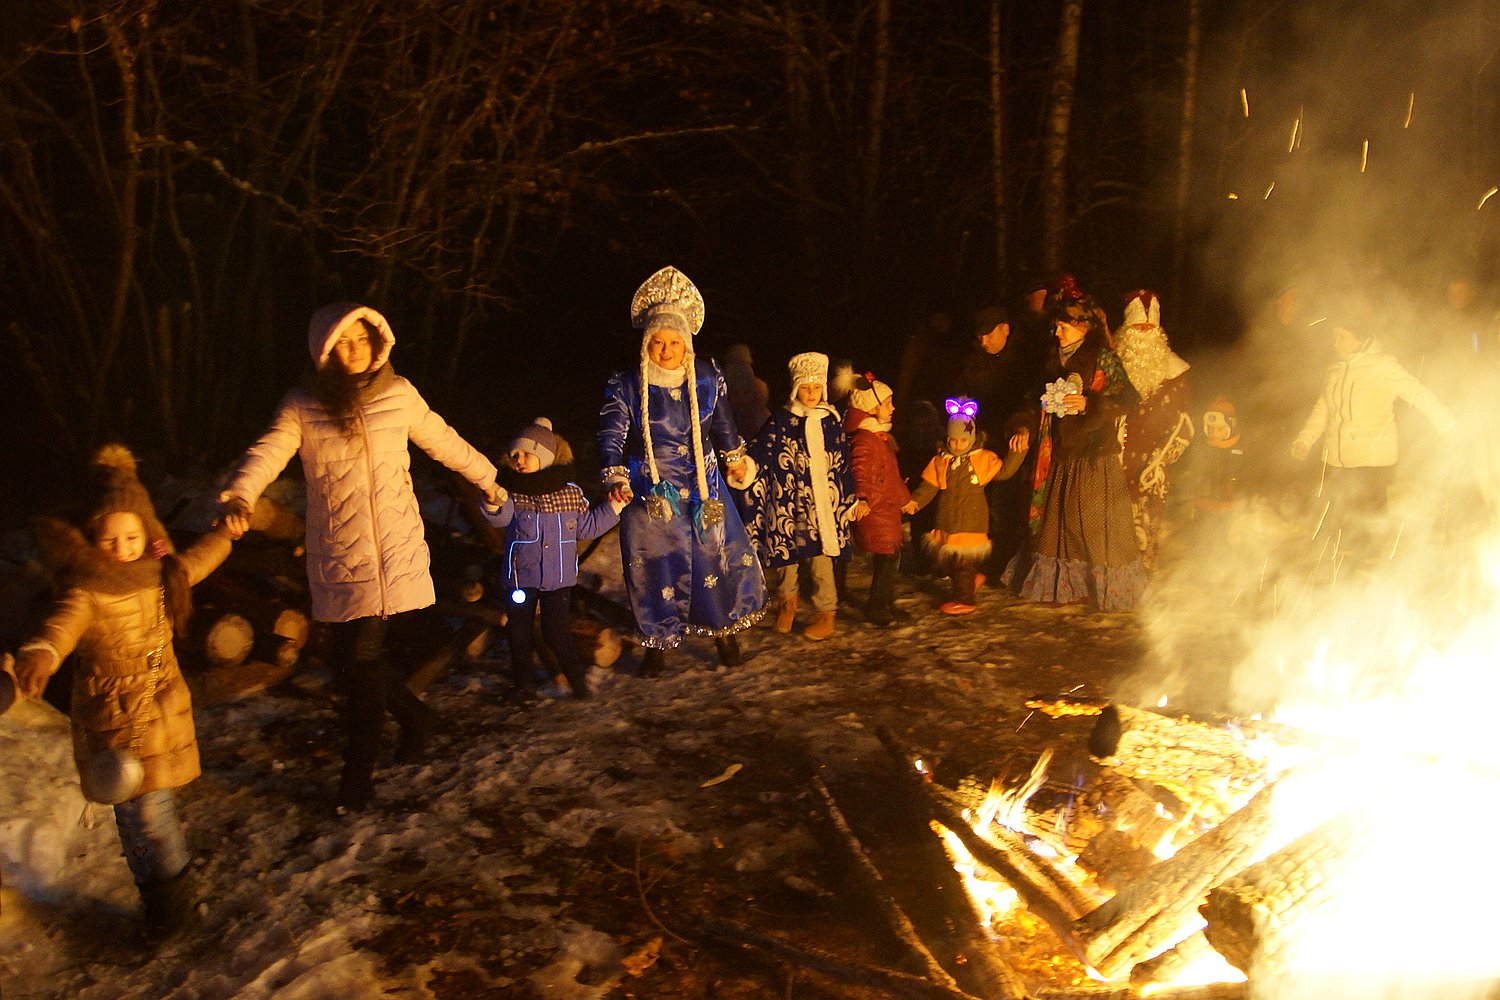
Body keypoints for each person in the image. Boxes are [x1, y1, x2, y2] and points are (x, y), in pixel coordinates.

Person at [219, 303, 504, 813]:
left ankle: (357, 778)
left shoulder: (398, 395)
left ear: (379, 342)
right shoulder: (303, 405)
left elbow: (444, 442)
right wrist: (240, 495)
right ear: (323, 352)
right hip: (339, 551)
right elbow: (266, 453)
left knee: (361, 662)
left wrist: (488, 479)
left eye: (361, 340)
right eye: (341, 344)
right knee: (357, 663)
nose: (354, 351)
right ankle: (416, 719)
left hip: (393, 548)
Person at [3, 445, 248, 934]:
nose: (122, 547)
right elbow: (61, 627)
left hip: (158, 709)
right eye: (110, 538)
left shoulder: (163, 575)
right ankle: (158, 891)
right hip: (112, 717)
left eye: (132, 535)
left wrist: (226, 531)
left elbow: (200, 556)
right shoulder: (86, 590)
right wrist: (42, 655)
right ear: (93, 539)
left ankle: (170, 907)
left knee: (150, 814)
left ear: (148, 533)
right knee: (131, 817)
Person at [598, 266, 765, 675]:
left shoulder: (706, 376)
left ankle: (723, 630)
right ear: (646, 343)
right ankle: (657, 638)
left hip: (702, 485)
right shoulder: (627, 384)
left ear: (686, 344)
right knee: (653, 563)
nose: (666, 350)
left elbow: (723, 424)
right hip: (650, 488)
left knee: (715, 557)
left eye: (674, 342)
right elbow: (611, 434)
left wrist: (735, 458)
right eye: (658, 342)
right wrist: (616, 476)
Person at [1006, 275, 1146, 611]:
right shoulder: (1052, 359)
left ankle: (1107, 589)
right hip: (1059, 451)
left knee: (1097, 523)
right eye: (1056, 327)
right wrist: (1024, 425)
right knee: (1063, 522)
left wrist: (1091, 404)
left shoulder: (1103, 358)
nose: (1057, 333)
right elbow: (1032, 399)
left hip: (1095, 453)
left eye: (1064, 328)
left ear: (1084, 327)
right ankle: (1067, 587)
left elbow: (1129, 398)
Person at [481, 418, 626, 699]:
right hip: (520, 577)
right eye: (514, 455)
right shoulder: (512, 492)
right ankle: (525, 685)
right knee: (518, 633)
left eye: (526, 453)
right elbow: (499, 518)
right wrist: (491, 503)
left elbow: (588, 526)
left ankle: (579, 685)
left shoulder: (570, 494)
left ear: (545, 456)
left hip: (557, 580)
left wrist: (614, 507)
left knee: (556, 634)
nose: (518, 460)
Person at [1289, 319, 1454, 565]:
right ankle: (1343, 572)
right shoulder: (1335, 370)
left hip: (1372, 459)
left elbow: (1417, 392)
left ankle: (1375, 568)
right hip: (1335, 457)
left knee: (1369, 521)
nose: (1336, 343)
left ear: (1359, 338)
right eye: (1333, 337)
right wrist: (1304, 440)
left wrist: (1447, 424)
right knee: (1340, 518)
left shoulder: (1382, 366)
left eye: (1341, 336)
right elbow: (1322, 410)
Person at [742, 352, 860, 640]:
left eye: (815, 387)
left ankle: (826, 612)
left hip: (821, 510)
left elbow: (842, 462)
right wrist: (746, 467)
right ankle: (787, 603)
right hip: (789, 507)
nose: (810, 393)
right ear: (796, 388)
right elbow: (763, 451)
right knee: (787, 560)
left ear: (822, 389)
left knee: (821, 562)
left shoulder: (830, 422)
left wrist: (851, 498)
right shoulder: (782, 420)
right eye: (805, 388)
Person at [903, 397, 1028, 614]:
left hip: (971, 520)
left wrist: (1017, 453)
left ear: (971, 438)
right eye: (952, 440)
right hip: (947, 518)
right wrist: (915, 502)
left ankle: (965, 599)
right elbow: (929, 486)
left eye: (961, 440)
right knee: (947, 559)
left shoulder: (981, 459)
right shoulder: (942, 460)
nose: (956, 445)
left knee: (962, 562)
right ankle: (972, 579)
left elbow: (1004, 471)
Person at [1114, 290, 1194, 571]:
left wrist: (1161, 458)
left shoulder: (1176, 372)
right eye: (1138, 327)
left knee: (1145, 523)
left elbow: (1184, 423)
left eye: (1150, 328)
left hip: (1152, 459)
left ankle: (1141, 574)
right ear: (1126, 329)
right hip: (1114, 457)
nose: (1144, 333)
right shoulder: (1111, 365)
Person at [960, 305, 1042, 575]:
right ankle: (979, 562)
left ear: (1005, 329)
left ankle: (1003, 564)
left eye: (989, 334)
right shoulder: (971, 362)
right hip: (980, 442)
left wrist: (1022, 426)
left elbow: (1031, 399)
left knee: (1008, 503)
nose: (983, 341)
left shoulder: (1026, 360)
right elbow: (960, 399)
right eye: (979, 336)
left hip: (1015, 442)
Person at [842, 372, 911, 626]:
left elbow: (892, 475)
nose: (892, 408)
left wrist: (905, 499)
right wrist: (861, 498)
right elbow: (859, 471)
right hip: (875, 510)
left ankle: (884, 604)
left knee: (891, 557)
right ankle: (878, 609)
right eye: (887, 403)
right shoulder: (865, 440)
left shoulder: (879, 437)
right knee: (887, 558)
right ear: (870, 407)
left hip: (886, 509)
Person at [720, 343, 772, 441]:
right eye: (735, 393)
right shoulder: (722, 417)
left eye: (745, 393)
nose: (741, 398)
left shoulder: (760, 417)